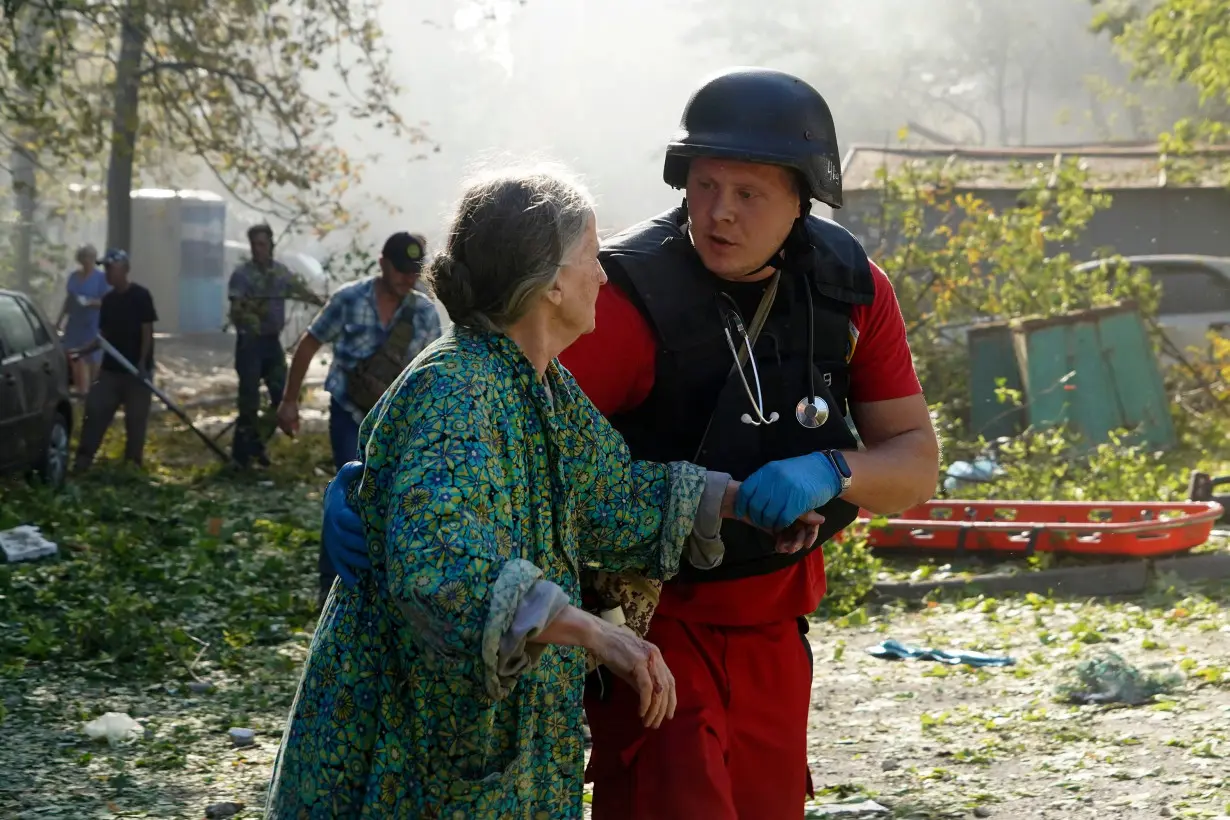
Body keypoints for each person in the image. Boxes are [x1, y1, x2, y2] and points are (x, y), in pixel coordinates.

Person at [321, 67, 941, 819]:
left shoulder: (852, 291)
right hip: (652, 625)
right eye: (705, 185)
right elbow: (465, 423)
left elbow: (611, 485)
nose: (719, 214)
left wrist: (820, 473)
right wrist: (372, 485)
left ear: (803, 197)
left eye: (748, 194)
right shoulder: (617, 302)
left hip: (776, 631)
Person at [264, 165, 822, 818]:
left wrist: (738, 499)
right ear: (552, 281)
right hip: (410, 741)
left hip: (483, 743)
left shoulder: (541, 386)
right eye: (591, 255)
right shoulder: (459, 392)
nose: (605, 276)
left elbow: (614, 498)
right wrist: (596, 633)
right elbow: (444, 566)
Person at [276, 231, 442, 606]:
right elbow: (308, 344)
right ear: (382, 263)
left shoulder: (424, 312)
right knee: (347, 493)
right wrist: (289, 401)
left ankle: (385, 583)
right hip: (349, 414)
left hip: (396, 422)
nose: (407, 279)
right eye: (400, 270)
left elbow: (433, 370)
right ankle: (331, 586)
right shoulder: (349, 299)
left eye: (413, 272)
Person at [226, 223, 324, 468]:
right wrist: (251, 314)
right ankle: (241, 455)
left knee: (281, 396)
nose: (258, 249)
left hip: (271, 343)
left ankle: (258, 444)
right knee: (248, 400)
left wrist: (323, 303)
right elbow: (236, 310)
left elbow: (300, 291)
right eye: (255, 245)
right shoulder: (242, 275)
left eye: (263, 244)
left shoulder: (280, 274)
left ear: (271, 245)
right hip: (250, 343)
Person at [70, 249, 159, 471]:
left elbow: (147, 331)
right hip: (111, 370)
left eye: (111, 267)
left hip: (136, 372)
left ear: (124, 269)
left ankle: (132, 467)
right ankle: (82, 461)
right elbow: (104, 336)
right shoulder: (108, 301)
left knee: (136, 422)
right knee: (95, 410)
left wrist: (141, 362)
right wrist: (83, 350)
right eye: (106, 268)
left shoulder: (140, 295)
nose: (107, 272)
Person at [55, 244, 110, 394]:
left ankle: (95, 391)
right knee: (75, 357)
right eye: (84, 258)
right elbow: (69, 300)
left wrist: (91, 302)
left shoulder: (101, 278)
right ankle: (82, 392)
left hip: (93, 323)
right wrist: (60, 321)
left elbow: (108, 302)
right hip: (75, 323)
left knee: (92, 359)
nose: (87, 261)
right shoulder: (74, 277)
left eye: (90, 258)